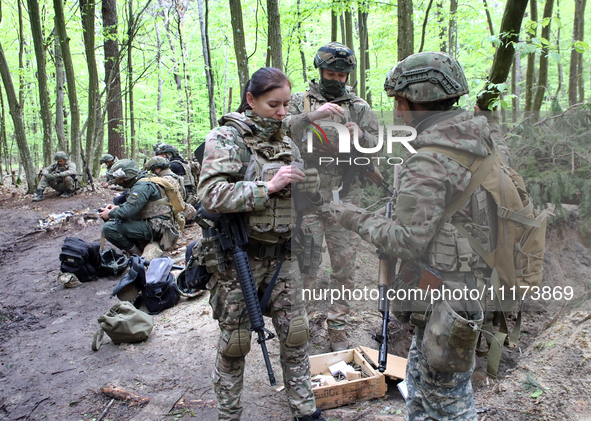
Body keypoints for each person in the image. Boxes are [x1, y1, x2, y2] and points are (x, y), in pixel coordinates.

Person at [329, 51, 506, 421]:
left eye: (398, 101)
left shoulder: (429, 160)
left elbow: (407, 240)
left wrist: (352, 217)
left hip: (449, 298)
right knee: (422, 387)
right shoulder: (483, 141)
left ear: (416, 102)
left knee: (449, 403)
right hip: (468, 285)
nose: (396, 110)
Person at [197, 67, 325, 421]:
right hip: (241, 257)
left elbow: (299, 200)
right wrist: (265, 187)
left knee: (296, 337)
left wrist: (307, 187)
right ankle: (229, 414)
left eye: (286, 104)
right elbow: (209, 195)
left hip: (284, 256)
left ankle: (304, 410)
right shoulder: (226, 138)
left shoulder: (287, 140)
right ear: (251, 100)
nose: (282, 112)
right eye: (273, 105)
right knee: (235, 345)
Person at [286, 41, 380, 351]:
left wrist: (361, 135)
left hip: (344, 196)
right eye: (330, 73)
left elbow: (378, 147)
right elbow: (279, 132)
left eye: (342, 75)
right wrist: (314, 117)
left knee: (344, 265)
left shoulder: (360, 107)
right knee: (307, 266)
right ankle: (309, 320)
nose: (336, 79)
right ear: (319, 69)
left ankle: (338, 325)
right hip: (307, 198)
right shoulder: (300, 101)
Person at [99, 159, 180, 255]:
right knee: (115, 221)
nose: (117, 182)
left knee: (109, 228)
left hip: (157, 227)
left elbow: (128, 211)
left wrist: (110, 213)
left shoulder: (141, 186)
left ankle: (137, 255)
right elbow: (137, 205)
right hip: (157, 224)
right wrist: (116, 208)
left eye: (119, 179)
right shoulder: (142, 181)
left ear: (127, 176)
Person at [145, 155, 196, 230]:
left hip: (173, 216)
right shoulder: (174, 177)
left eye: (153, 170)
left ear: (158, 169)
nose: (152, 172)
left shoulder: (166, 180)